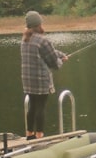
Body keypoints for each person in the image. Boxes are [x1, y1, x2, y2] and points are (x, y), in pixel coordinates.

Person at [20, 10, 68, 140]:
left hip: (28, 80)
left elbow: (50, 52)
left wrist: (61, 54)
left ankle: (30, 134)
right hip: (41, 80)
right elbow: (53, 62)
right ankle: (40, 135)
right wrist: (61, 61)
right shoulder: (43, 40)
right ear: (39, 24)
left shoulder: (25, 39)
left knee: (32, 106)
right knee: (40, 107)